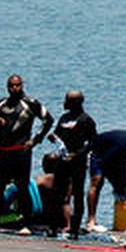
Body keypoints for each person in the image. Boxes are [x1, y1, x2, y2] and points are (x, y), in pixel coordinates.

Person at [0, 74, 53, 231]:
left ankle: (26, 223)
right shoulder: (1, 104)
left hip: (21, 152)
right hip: (3, 151)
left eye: (17, 85)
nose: (14, 88)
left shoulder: (30, 103)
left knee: (22, 187)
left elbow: (48, 120)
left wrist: (36, 140)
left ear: (22, 86)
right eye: (11, 86)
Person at [84, 130, 126, 232]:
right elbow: (105, 163)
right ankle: (91, 219)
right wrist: (114, 181)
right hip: (99, 152)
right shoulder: (122, 146)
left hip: (118, 158)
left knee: (122, 187)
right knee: (97, 181)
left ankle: (122, 222)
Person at [49, 90, 97, 238]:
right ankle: (54, 227)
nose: (64, 103)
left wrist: (77, 155)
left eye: (68, 101)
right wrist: (53, 137)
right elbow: (57, 133)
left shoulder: (86, 120)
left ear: (77, 103)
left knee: (77, 194)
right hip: (63, 161)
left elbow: (93, 142)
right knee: (57, 193)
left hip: (78, 162)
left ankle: (75, 229)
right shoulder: (64, 118)